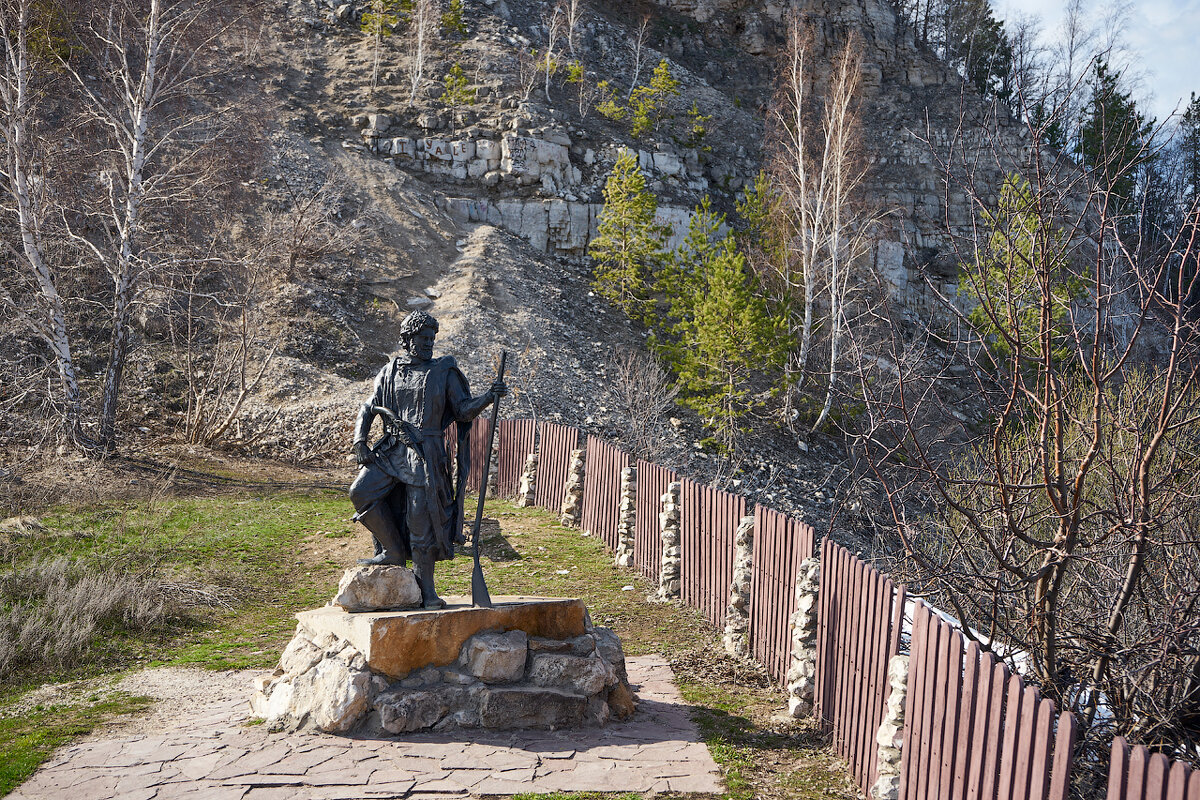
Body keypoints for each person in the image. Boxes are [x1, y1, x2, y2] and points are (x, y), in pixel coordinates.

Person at [348, 310, 506, 609]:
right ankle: (392, 550)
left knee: (421, 524)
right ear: (408, 339)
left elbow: (462, 411)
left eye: (432, 338)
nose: (429, 343)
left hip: (427, 455)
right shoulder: (390, 371)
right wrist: (360, 441)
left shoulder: (444, 371)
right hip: (392, 448)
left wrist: (488, 396)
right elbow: (368, 407)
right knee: (361, 492)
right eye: (423, 338)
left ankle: (427, 591)